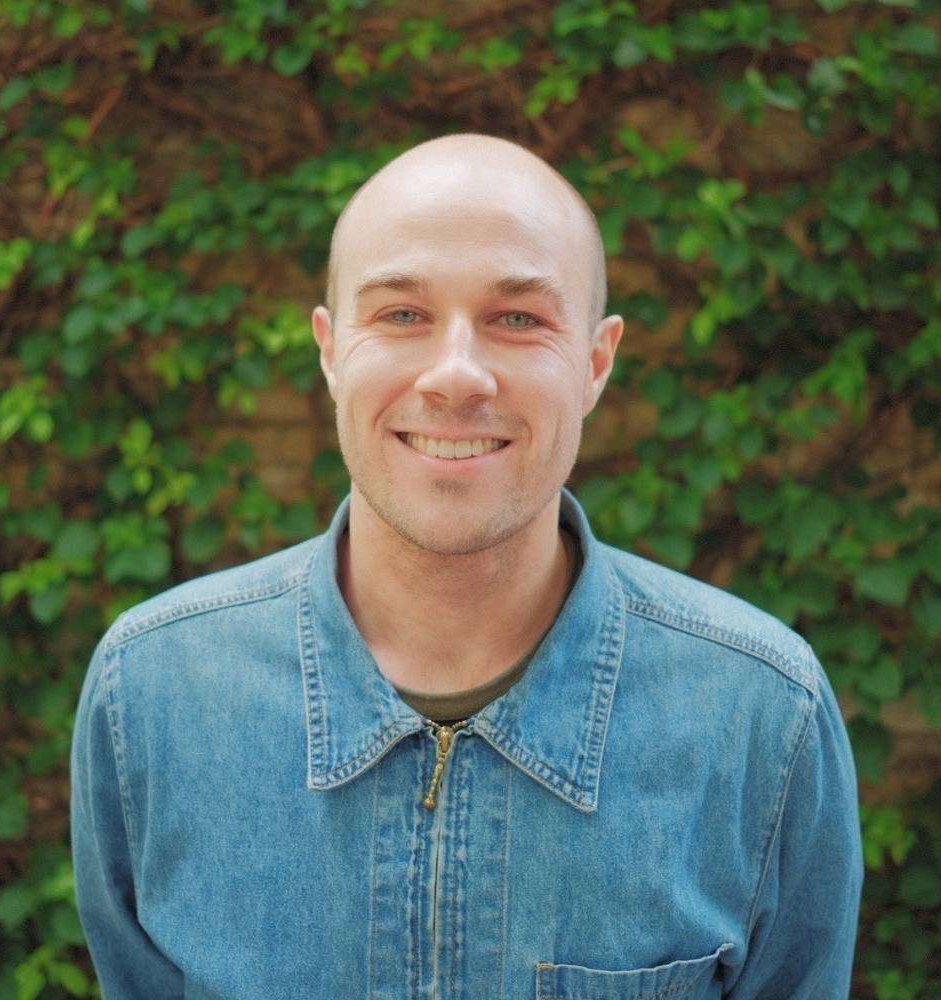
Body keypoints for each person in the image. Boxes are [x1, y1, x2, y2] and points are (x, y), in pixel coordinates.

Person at [70, 134, 863, 999]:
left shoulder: (762, 715)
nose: (456, 375)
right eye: (402, 315)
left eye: (517, 318)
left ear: (596, 364)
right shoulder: (151, 692)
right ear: (331, 351)